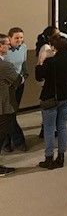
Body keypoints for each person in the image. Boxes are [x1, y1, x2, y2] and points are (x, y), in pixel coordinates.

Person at [35, 36, 67, 169]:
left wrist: (40, 62)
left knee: (49, 128)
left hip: (50, 97)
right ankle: (61, 157)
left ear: (53, 47)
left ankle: (49, 158)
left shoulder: (50, 61)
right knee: (62, 126)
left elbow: (39, 77)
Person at [2, 27, 28, 152]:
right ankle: (17, 141)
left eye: (21, 37)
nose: (19, 40)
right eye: (16, 38)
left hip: (19, 84)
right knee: (9, 115)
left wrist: (24, 76)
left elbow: (24, 64)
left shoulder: (23, 47)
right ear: (9, 38)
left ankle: (7, 142)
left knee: (12, 113)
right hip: (7, 86)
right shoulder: (4, 50)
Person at [0, 33, 22, 176]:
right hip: (3, 106)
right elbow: (18, 80)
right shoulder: (5, 65)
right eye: (7, 44)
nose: (9, 46)